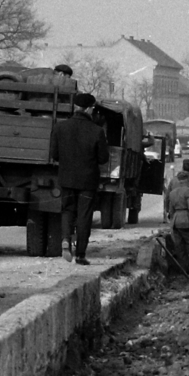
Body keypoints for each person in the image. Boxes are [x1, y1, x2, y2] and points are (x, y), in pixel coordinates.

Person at [49, 93, 108, 264]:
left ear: (76, 107)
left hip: (66, 178)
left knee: (67, 210)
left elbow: (54, 154)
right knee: (84, 215)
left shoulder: (60, 127)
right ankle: (81, 254)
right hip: (88, 182)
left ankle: (66, 239)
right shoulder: (97, 131)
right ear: (89, 109)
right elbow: (103, 158)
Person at [163, 156, 189, 276]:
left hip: (176, 221)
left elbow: (167, 200)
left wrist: (169, 216)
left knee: (180, 248)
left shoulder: (173, 184)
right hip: (187, 220)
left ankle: (183, 271)